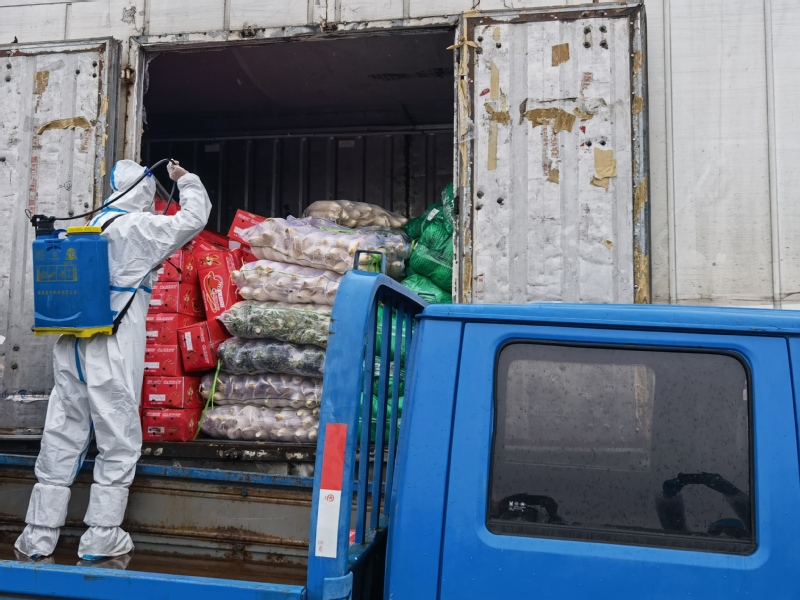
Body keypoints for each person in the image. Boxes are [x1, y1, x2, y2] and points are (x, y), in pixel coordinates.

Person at [15, 159, 211, 560]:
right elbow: (193, 219)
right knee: (118, 438)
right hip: (111, 346)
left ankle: (37, 537)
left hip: (71, 345)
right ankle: (102, 537)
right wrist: (186, 180)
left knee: (62, 434)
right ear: (144, 192)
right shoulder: (138, 228)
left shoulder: (90, 227)